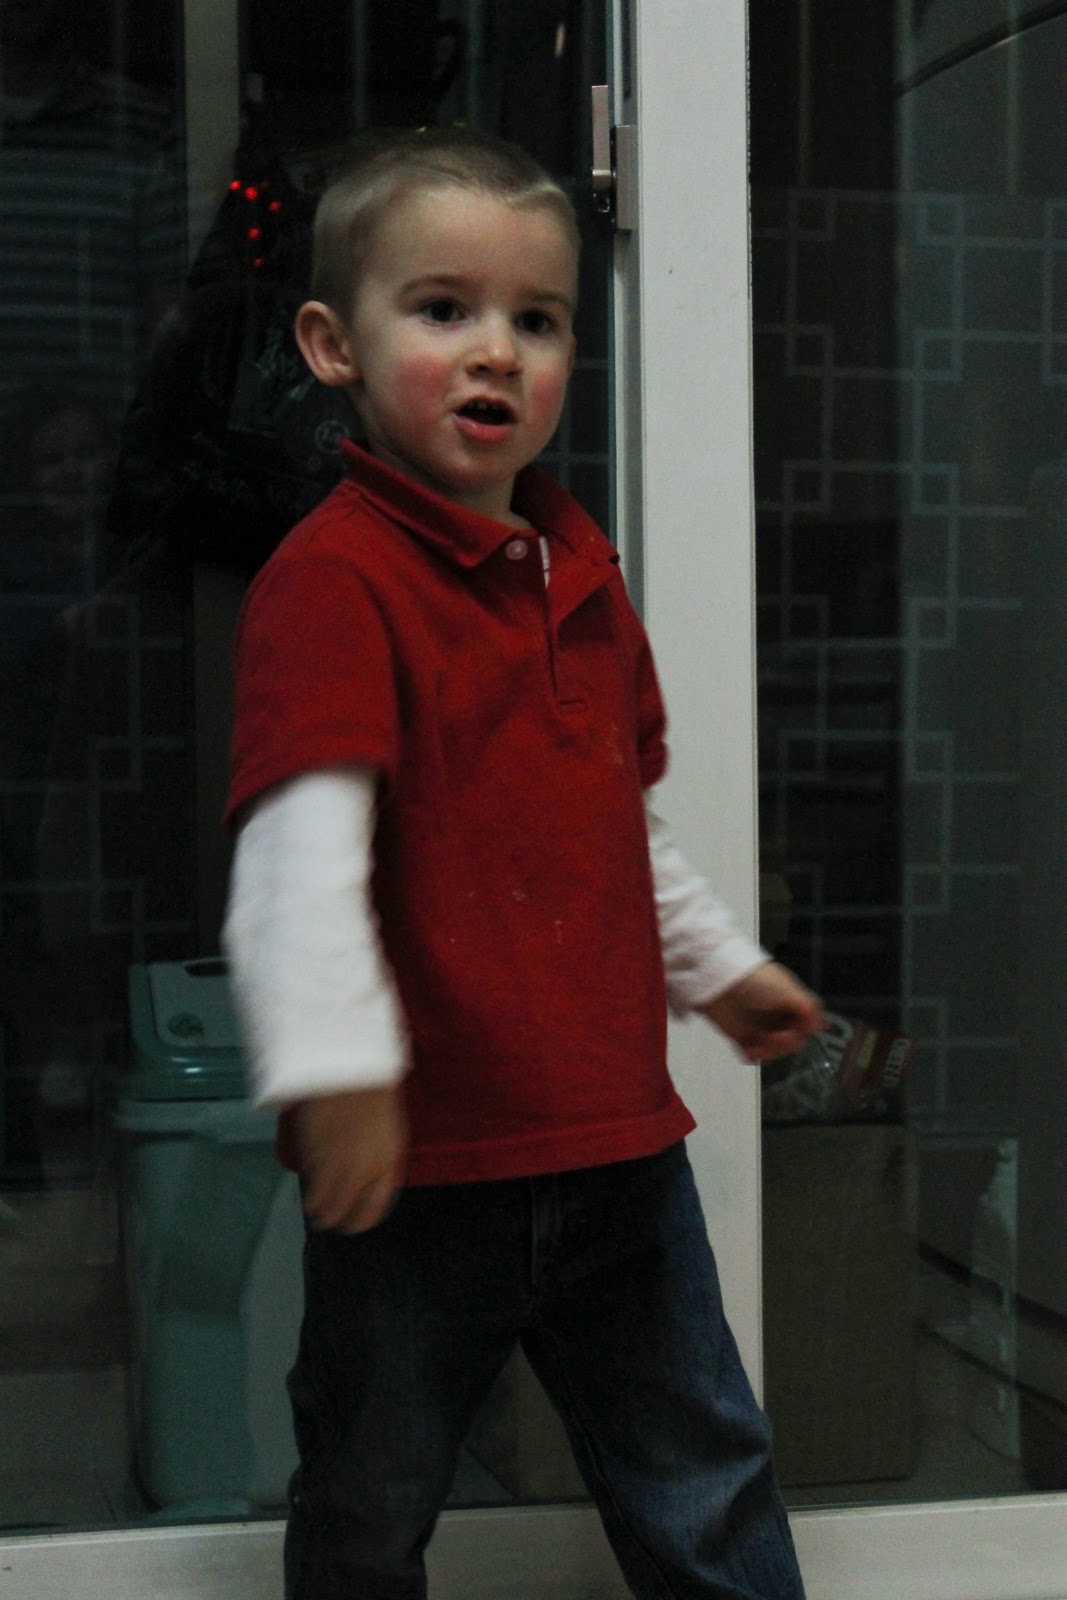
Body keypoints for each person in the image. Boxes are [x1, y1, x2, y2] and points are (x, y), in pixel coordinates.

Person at [222, 125, 821, 1600]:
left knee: (704, 1473)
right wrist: (334, 1067)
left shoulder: (580, 570)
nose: (497, 350)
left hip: (619, 1145)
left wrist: (720, 968)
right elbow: (297, 853)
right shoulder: (334, 579)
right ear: (334, 345)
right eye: (443, 310)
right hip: (422, 1164)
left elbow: (616, 827)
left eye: (537, 320)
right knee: (370, 1493)